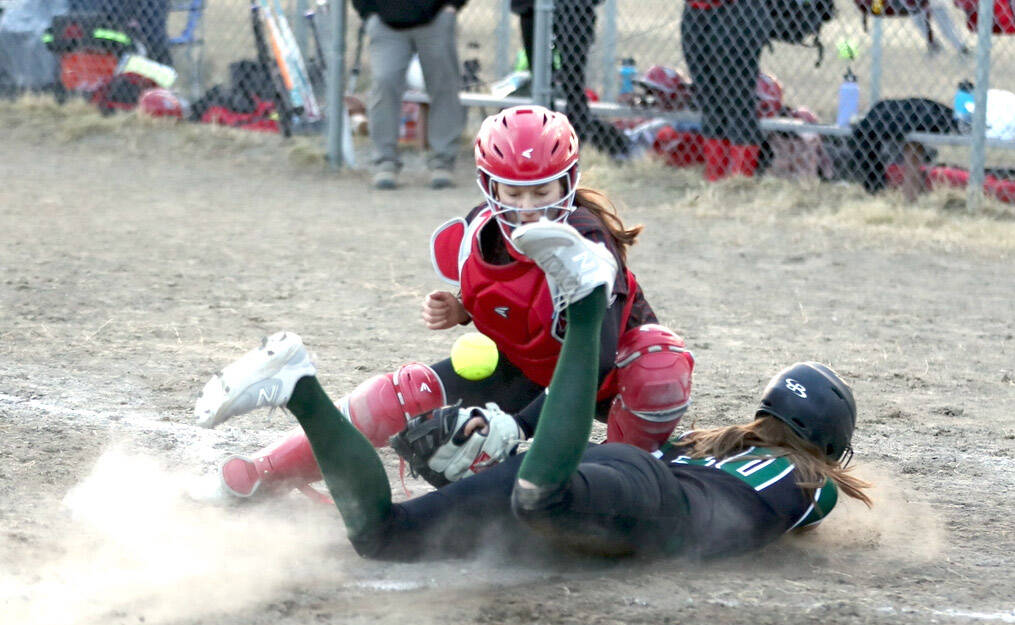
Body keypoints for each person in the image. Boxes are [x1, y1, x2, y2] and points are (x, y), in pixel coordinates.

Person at [194, 226, 871, 562]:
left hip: (621, 475)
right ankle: (582, 304)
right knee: (542, 496)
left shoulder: (716, 445)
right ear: (826, 444)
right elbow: (822, 501)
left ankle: (299, 386)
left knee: (382, 537)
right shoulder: (811, 480)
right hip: (644, 503)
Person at [215, 105, 694, 503]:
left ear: (567, 182)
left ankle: (625, 473)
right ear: (489, 186)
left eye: (543, 192)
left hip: (605, 378)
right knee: (401, 394)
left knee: (658, 365)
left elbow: (592, 357)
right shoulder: (474, 235)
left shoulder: (588, 243)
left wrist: (517, 425)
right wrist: (463, 309)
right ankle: (264, 472)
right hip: (532, 366)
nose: (529, 208)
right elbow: (519, 304)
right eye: (514, 192)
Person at [351, 0, 468, 190]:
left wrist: (452, 5)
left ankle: (443, 162)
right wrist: (369, 12)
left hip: (436, 16)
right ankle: (385, 162)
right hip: (385, 21)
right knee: (384, 83)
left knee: (444, 88)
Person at [511, 0, 631, 159]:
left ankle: (575, 144)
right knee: (539, 81)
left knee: (573, 81)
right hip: (532, 9)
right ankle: (544, 143)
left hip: (575, 6)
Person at [681, 0, 772, 181]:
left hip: (738, 9)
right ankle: (715, 179)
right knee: (708, 98)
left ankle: (740, 181)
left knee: (736, 98)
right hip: (696, 9)